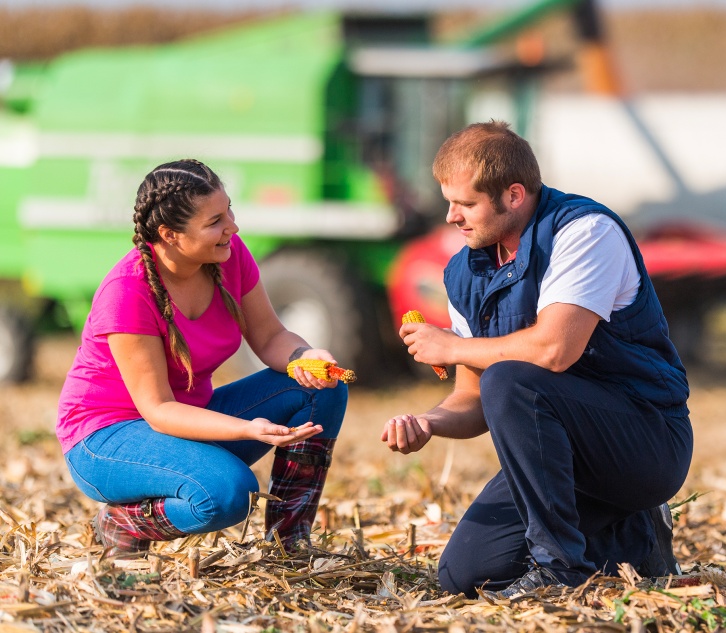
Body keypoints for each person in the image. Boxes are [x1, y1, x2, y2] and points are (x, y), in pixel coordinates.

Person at [386, 121, 693, 599]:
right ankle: (633, 540)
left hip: (644, 440)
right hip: (558, 460)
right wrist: (427, 423)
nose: (451, 217)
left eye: (465, 204)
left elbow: (553, 350)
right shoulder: (463, 272)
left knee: (511, 379)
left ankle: (560, 569)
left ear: (513, 195)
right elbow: (472, 396)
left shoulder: (585, 232)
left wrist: (451, 346)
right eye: (449, 201)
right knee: (464, 576)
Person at [56, 159, 348, 556]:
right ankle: (121, 523)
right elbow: (158, 409)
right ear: (170, 234)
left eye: (230, 210)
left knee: (322, 390)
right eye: (215, 221)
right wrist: (247, 429)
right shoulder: (126, 293)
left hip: (187, 419)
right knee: (230, 493)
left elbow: (270, 336)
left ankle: (289, 542)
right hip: (107, 437)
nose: (232, 227)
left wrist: (304, 356)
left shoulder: (229, 257)